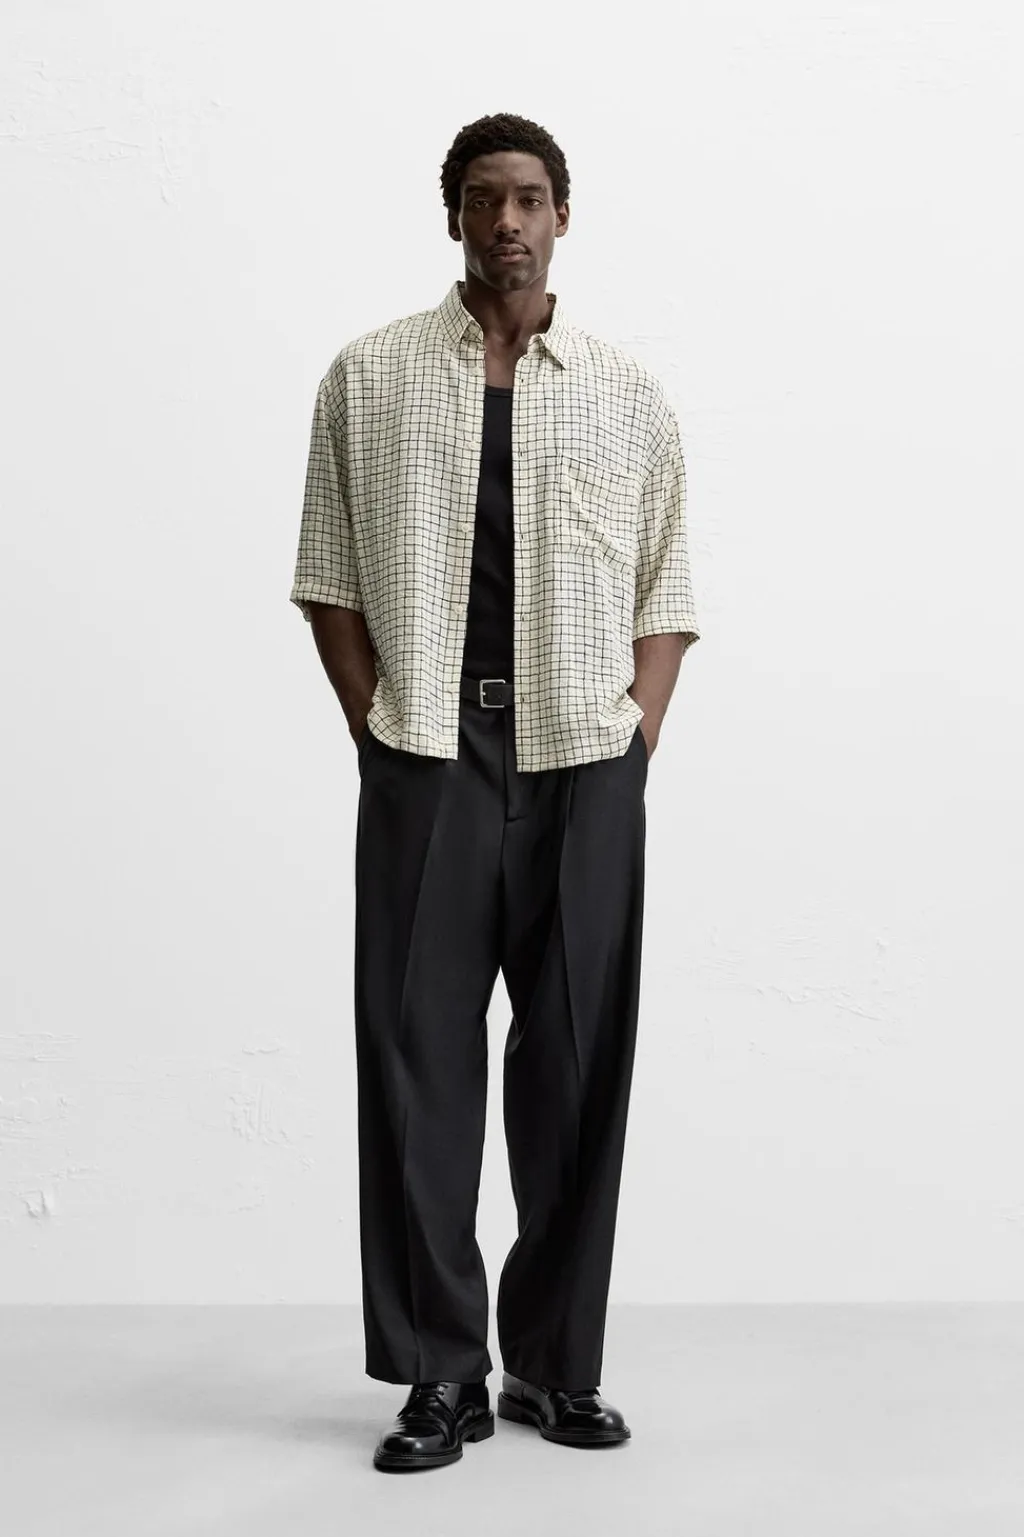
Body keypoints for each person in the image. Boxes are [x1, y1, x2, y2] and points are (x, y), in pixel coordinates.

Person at [289, 112, 700, 1472]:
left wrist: (639, 730)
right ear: (453, 215)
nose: (507, 221)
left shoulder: (627, 394)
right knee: (418, 1061)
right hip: (431, 755)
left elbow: (668, 582)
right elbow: (327, 573)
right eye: (483, 198)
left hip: (587, 761)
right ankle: (439, 1374)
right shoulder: (369, 377)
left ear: (562, 215)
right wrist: (377, 731)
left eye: (529, 197)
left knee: (576, 1060)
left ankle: (557, 1368)